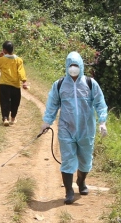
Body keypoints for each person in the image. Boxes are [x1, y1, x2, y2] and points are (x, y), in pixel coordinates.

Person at [41, 51, 108, 205]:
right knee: (67, 160)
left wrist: (102, 121)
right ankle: (69, 191)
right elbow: (52, 105)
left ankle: (81, 181)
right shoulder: (59, 85)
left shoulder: (90, 84)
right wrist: (47, 122)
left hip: (86, 129)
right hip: (66, 128)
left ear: (81, 66)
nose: (73, 69)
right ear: (66, 66)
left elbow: (99, 103)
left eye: (76, 66)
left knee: (85, 160)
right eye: (71, 66)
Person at [0, 41, 29, 126]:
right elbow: (21, 71)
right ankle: (13, 118)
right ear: (12, 49)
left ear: (4, 50)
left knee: (4, 101)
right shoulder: (18, 60)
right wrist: (24, 81)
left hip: (4, 84)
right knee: (15, 102)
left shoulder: (2, 59)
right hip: (15, 85)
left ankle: (5, 118)